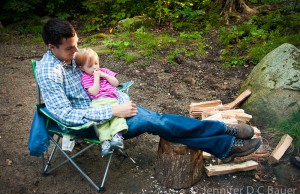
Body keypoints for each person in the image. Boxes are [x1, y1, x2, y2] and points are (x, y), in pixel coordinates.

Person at [36, 17, 261, 163]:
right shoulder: (49, 72)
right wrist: (113, 111)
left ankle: (224, 138)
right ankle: (224, 138)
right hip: (95, 124)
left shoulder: (69, 58)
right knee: (157, 122)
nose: (76, 52)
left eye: (76, 44)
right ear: (51, 47)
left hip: (108, 108)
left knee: (160, 119)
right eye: (69, 48)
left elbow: (93, 73)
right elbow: (66, 116)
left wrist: (114, 97)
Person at [75, 47, 127, 156]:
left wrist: (105, 75)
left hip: (112, 99)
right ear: (82, 68)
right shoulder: (86, 77)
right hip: (97, 102)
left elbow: (116, 83)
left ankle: (117, 138)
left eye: (96, 63)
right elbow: (94, 92)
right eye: (90, 66)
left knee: (117, 117)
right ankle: (105, 143)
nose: (95, 67)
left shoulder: (104, 71)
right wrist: (96, 78)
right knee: (101, 123)